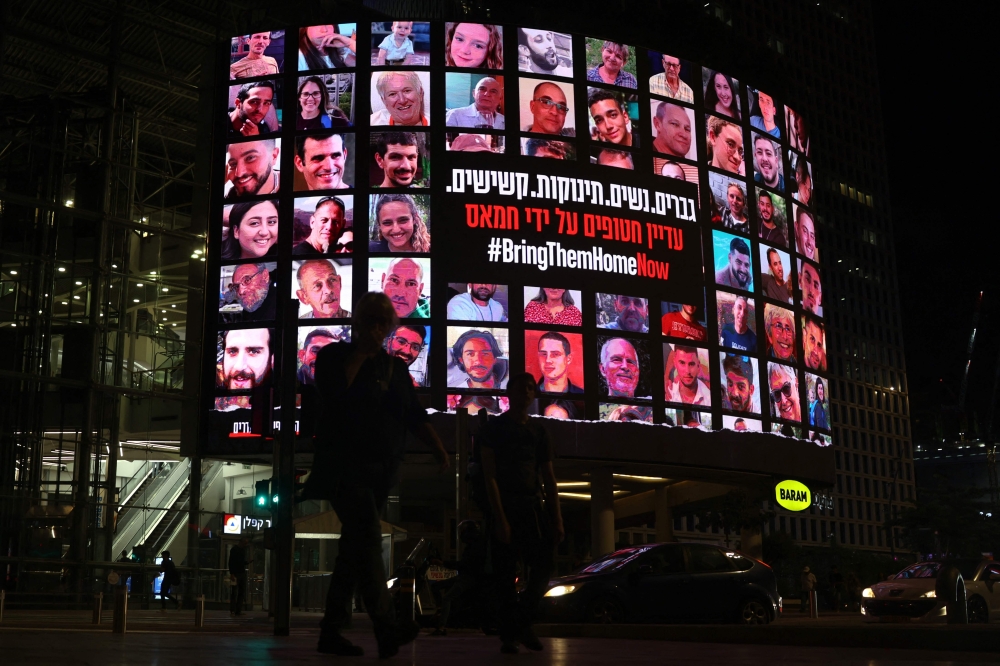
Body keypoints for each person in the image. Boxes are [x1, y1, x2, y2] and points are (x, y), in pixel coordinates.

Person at [306, 292, 449, 657]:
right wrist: (361, 354)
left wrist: (439, 450)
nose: (375, 327)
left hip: (379, 474)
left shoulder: (395, 369)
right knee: (367, 540)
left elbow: (414, 416)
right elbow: (335, 396)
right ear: (357, 321)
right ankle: (387, 628)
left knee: (353, 551)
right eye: (369, 319)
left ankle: (331, 631)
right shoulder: (334, 356)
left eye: (382, 322)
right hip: (343, 470)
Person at [479, 372, 563, 654]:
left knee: (544, 567)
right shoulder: (493, 428)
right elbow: (488, 476)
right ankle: (512, 634)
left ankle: (518, 624)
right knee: (504, 574)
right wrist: (500, 517)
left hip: (532, 506)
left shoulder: (539, 432)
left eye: (530, 388)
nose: (526, 392)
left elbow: (549, 479)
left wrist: (556, 518)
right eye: (521, 387)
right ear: (509, 393)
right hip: (506, 505)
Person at [432, 520, 487, 636]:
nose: (461, 535)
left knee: (447, 598)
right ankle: (441, 610)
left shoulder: (475, 547)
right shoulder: (473, 545)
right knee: (435, 586)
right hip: (464, 576)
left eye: (463, 532)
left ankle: (441, 627)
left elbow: (464, 565)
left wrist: (443, 563)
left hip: (469, 578)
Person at [228, 537, 252, 616]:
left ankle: (237, 610)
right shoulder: (235, 550)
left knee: (240, 592)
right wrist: (232, 573)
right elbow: (231, 562)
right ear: (241, 542)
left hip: (241, 572)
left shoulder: (241, 550)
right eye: (245, 543)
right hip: (237, 573)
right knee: (235, 592)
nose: (246, 545)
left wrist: (246, 562)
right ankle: (233, 610)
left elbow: (237, 562)